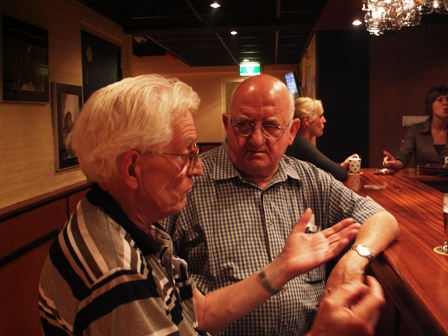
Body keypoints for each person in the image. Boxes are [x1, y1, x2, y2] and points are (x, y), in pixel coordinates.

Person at [38, 74, 385, 336]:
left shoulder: (129, 223)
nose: (199, 166)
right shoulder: (117, 272)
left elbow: (198, 310)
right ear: (132, 168)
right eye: (187, 153)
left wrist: (283, 267)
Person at [162, 74, 399, 336]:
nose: (256, 139)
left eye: (272, 127)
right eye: (243, 125)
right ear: (227, 125)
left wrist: (354, 260)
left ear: (292, 132)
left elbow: (381, 218)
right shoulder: (188, 183)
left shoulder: (311, 179)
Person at [285, 97, 359, 181]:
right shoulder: (300, 144)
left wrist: (342, 165)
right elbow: (341, 174)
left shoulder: (297, 141)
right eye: (320, 116)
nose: (324, 120)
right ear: (307, 121)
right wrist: (340, 168)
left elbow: (326, 167)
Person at [383, 86, 448, 170]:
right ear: (430, 105)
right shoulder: (416, 130)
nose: (446, 103)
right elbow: (403, 156)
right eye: (440, 100)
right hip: (422, 181)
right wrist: (394, 163)